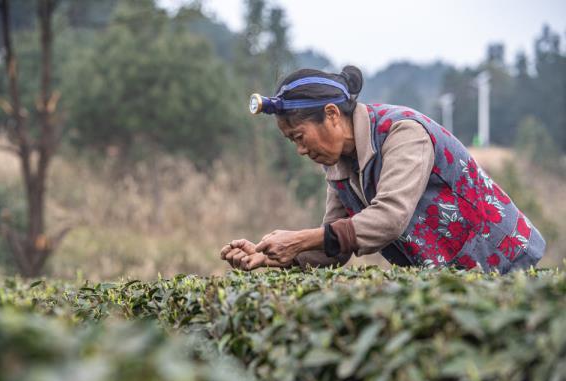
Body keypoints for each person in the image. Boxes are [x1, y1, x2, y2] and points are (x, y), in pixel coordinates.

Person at [220, 66, 546, 274]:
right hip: (455, 278)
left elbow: (389, 218)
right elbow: (336, 244)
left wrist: (300, 239)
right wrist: (276, 258)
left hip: (503, 264)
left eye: (300, 137)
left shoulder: (402, 133)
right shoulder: (339, 166)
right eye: (292, 141)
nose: (301, 150)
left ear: (332, 115)